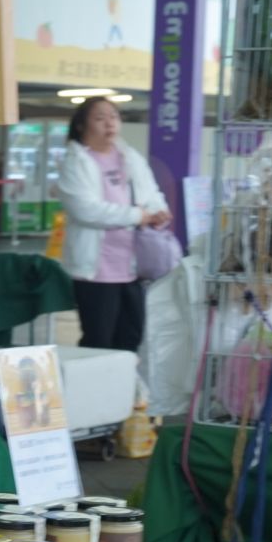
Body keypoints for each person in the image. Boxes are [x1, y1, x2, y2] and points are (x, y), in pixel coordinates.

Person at [55, 96, 170, 352]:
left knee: (131, 338)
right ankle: (94, 391)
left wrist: (159, 212)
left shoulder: (129, 157)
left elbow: (151, 193)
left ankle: (123, 391)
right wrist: (137, 216)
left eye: (114, 116)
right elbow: (85, 210)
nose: (109, 123)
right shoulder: (76, 162)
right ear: (81, 126)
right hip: (96, 271)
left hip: (132, 266)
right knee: (98, 341)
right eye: (99, 118)